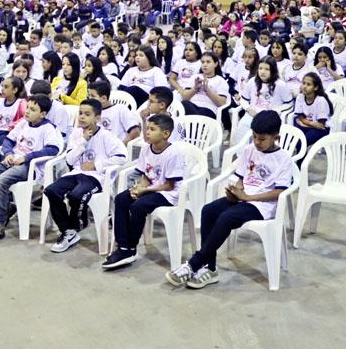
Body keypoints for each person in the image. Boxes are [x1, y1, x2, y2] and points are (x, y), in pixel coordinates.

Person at [165, 111, 292, 289]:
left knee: (227, 217)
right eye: (254, 137)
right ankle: (210, 268)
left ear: (276, 138)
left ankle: (195, 263)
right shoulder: (249, 150)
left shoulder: (284, 159)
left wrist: (248, 197)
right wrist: (236, 191)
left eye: (262, 139)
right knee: (208, 210)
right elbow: (241, 177)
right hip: (243, 198)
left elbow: (279, 192)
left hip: (263, 205)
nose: (257, 142)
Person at [102, 113, 185, 270]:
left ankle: (131, 248)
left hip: (168, 194)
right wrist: (139, 187)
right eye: (147, 128)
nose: (147, 132)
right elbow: (146, 174)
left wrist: (144, 191)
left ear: (166, 134)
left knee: (138, 206)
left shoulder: (173, 153)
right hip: (151, 188)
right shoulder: (146, 148)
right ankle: (123, 247)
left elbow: (169, 185)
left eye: (152, 129)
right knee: (121, 199)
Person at [43, 99, 127, 253]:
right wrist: (83, 141)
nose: (82, 117)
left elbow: (122, 156)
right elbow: (69, 160)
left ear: (97, 118)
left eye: (87, 114)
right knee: (51, 190)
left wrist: (96, 165)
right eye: (80, 113)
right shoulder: (76, 134)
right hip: (76, 173)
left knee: (76, 196)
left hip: (96, 177)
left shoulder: (106, 136)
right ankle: (68, 231)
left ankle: (77, 225)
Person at [0, 94, 63, 242]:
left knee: (0, 181)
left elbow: (53, 150)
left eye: (33, 109)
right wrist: (9, 153)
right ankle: (7, 207)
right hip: (12, 160)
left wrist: (27, 157)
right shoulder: (23, 123)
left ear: (43, 114)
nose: (27, 111)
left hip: (30, 167)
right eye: (28, 108)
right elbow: (8, 141)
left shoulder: (48, 128)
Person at [293, 73, 332, 147]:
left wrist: (305, 122)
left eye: (308, 84)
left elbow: (320, 125)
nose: (304, 86)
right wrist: (309, 123)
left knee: (300, 144)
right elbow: (300, 117)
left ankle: (302, 158)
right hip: (307, 124)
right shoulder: (300, 97)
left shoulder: (321, 100)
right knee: (293, 140)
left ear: (316, 87)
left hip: (321, 129)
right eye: (303, 83)